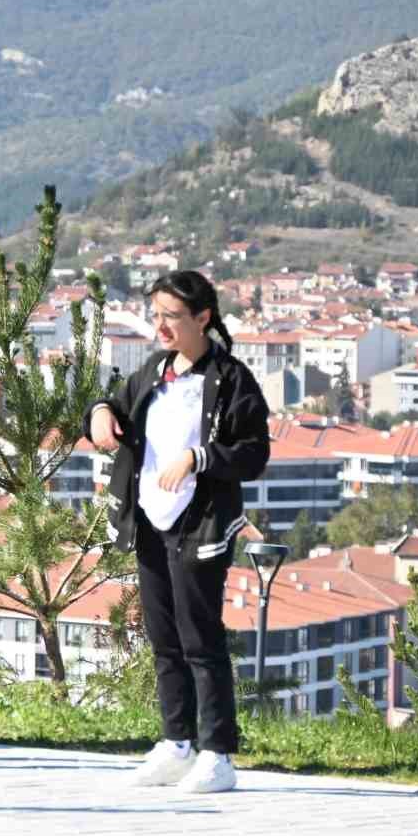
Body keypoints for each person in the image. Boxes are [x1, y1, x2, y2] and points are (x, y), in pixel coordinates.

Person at [86, 270, 270, 793]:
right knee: (163, 637)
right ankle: (176, 742)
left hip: (200, 522)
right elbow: (112, 407)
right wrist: (99, 414)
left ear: (203, 318)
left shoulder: (230, 378)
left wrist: (199, 457)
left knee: (200, 638)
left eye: (172, 316)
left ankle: (218, 754)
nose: (161, 325)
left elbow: (255, 453)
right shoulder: (154, 370)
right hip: (149, 519)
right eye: (157, 314)